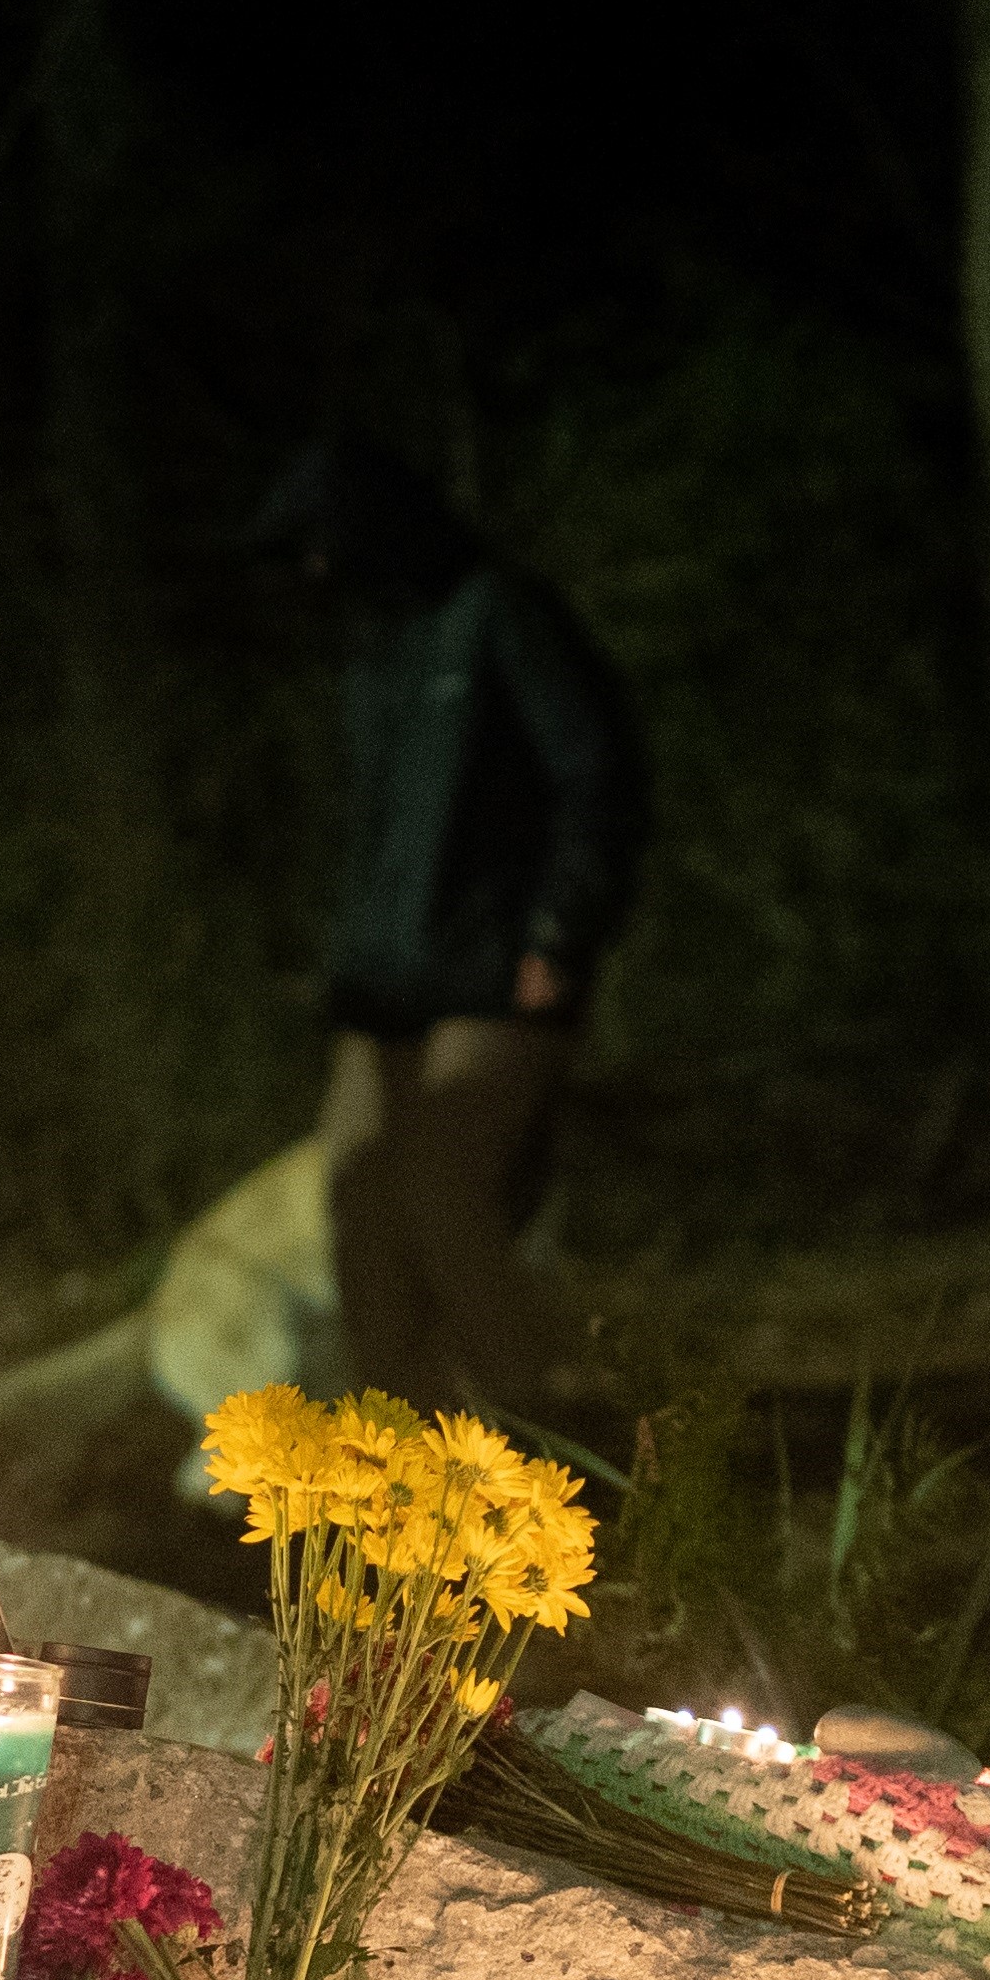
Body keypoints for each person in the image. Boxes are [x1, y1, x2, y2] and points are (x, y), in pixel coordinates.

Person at [249, 438, 646, 1422]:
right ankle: (400, 1445)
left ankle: (553, 1416)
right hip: (387, 980)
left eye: (322, 546)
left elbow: (599, 772)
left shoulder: (500, 614)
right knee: (357, 1199)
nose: (315, 572)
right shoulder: (378, 650)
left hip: (498, 971)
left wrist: (561, 930)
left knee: (439, 1183)